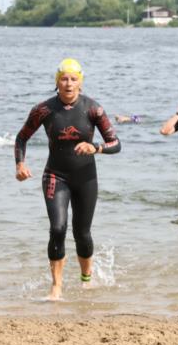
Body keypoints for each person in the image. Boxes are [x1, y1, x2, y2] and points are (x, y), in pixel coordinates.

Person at [14, 58, 122, 300]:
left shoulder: (93, 109)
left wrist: (96, 148)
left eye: (74, 79)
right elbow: (21, 138)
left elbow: (116, 144)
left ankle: (86, 280)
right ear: (57, 82)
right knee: (57, 228)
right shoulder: (44, 110)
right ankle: (56, 287)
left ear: (80, 84)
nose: (69, 84)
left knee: (82, 233)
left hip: (86, 178)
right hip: (55, 175)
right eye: (64, 79)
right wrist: (20, 164)